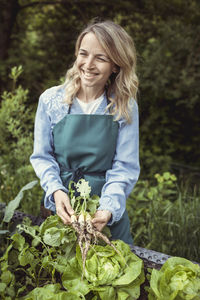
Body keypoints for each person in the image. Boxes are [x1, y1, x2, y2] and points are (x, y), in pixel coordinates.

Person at [30, 20, 140, 244]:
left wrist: (107, 209)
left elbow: (125, 167)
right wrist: (56, 192)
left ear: (116, 66)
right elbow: (42, 156)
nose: (88, 64)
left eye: (100, 58)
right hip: (61, 208)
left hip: (103, 211)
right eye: (83, 54)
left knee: (115, 270)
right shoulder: (51, 101)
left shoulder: (124, 106)